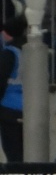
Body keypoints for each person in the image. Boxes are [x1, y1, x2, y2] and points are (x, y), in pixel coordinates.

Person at [0, 13, 24, 163]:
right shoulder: (30, 51)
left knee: (13, 153)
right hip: (28, 107)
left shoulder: (9, 54)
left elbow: (1, 80)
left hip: (8, 107)